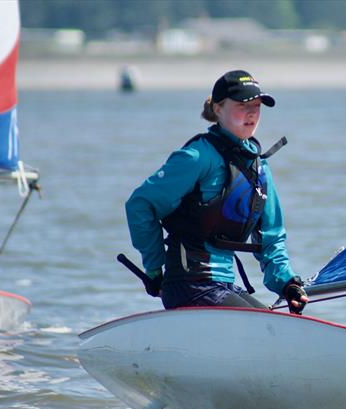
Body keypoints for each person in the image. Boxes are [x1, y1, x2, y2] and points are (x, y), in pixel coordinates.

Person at [125, 70, 308, 314]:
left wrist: (288, 284)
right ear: (218, 109)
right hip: (189, 284)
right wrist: (154, 267)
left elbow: (271, 237)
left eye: (257, 105)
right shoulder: (197, 157)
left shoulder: (259, 166)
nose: (252, 112)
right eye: (243, 105)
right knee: (265, 328)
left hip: (223, 285)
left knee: (279, 325)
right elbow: (140, 204)